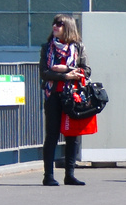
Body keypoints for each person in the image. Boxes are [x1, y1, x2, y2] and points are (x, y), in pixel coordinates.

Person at [36, 13, 89, 187]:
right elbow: (44, 72)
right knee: (51, 135)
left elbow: (86, 70)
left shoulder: (78, 47)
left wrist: (67, 68)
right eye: (54, 23)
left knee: (72, 135)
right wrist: (65, 76)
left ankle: (70, 174)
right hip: (53, 95)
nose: (55, 26)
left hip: (72, 96)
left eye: (59, 24)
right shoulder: (47, 47)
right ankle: (48, 175)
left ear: (68, 27)